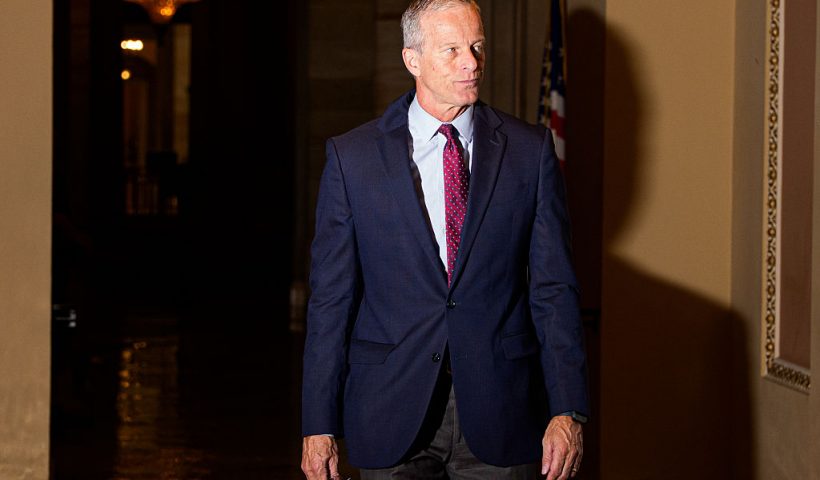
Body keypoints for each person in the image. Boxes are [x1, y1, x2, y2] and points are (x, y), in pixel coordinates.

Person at [301, 1, 588, 479]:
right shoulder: (352, 159)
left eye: (476, 46)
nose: (471, 62)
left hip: (503, 411)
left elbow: (553, 290)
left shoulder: (528, 151)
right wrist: (318, 424)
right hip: (390, 411)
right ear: (412, 59)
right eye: (452, 49)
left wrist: (569, 410)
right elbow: (331, 301)